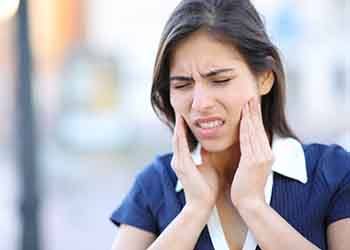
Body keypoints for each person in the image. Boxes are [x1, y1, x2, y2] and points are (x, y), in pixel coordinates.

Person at [110, 0, 350, 249]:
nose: (200, 103)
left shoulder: (333, 173)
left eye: (220, 80)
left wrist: (253, 206)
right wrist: (194, 212)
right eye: (182, 85)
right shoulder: (155, 185)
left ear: (265, 78)